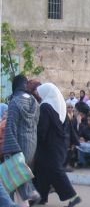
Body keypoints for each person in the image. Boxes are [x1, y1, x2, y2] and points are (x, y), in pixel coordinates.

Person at [34, 83, 81, 206]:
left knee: (55, 170)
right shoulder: (60, 107)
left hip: (49, 146)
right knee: (42, 170)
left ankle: (73, 196)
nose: (38, 95)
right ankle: (41, 197)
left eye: (39, 92)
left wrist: (35, 139)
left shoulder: (45, 106)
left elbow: (42, 129)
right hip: (59, 145)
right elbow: (68, 127)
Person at [2, 75, 41, 206]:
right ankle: (30, 193)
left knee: (12, 185)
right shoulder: (35, 102)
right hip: (31, 146)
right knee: (20, 181)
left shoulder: (15, 102)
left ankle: (30, 193)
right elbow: (36, 124)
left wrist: (9, 152)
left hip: (17, 148)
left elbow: (10, 128)